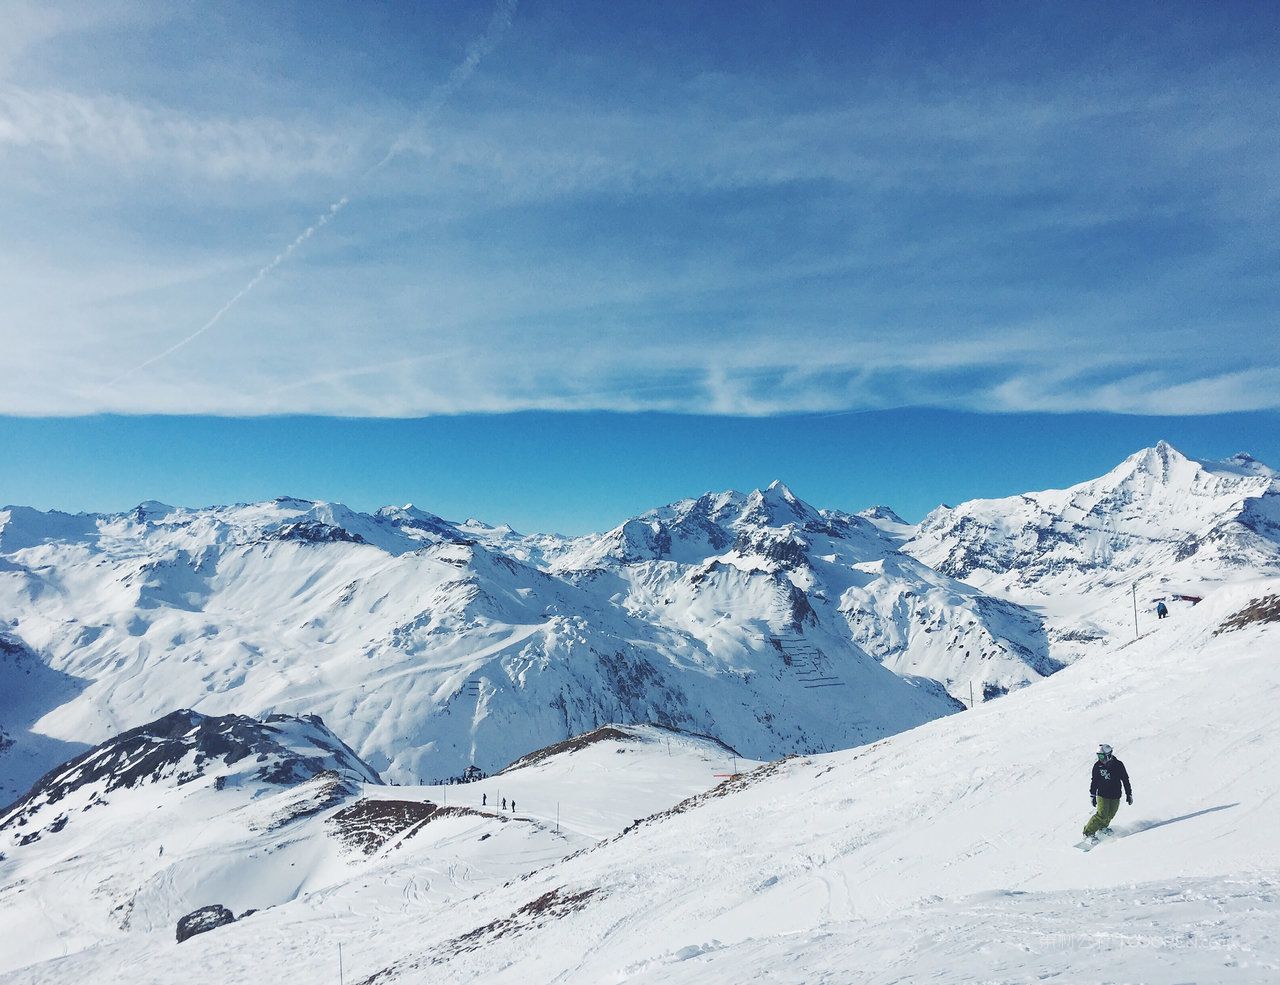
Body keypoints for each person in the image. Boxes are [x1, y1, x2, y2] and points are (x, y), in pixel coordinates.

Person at [1084, 743, 1132, 840]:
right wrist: (1092, 795)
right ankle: (1088, 833)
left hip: (1115, 795)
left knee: (1110, 814)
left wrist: (1129, 794)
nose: (1100, 758)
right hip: (1103, 794)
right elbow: (1094, 781)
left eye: (1101, 756)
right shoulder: (1098, 766)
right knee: (1102, 814)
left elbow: (1125, 780)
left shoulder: (1118, 765)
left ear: (1109, 755)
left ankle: (1102, 828)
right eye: (1098, 756)